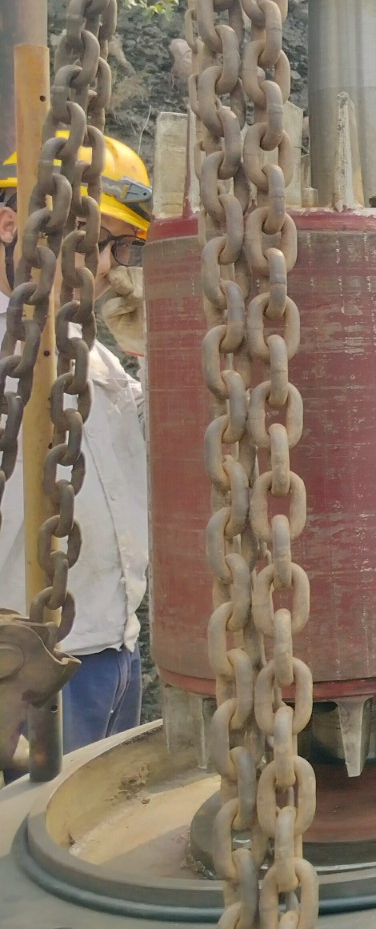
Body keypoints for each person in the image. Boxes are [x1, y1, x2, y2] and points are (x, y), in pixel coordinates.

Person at [0, 132, 151, 758]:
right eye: (92, 240)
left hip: (115, 653)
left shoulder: (96, 361)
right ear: (11, 224)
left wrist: (148, 349)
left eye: (120, 247)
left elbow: (155, 452)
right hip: (27, 669)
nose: (108, 267)